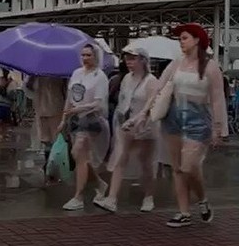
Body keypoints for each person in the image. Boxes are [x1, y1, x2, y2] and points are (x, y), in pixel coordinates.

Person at [129, 23, 227, 228]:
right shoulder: (175, 64)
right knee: (177, 169)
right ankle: (183, 212)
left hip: (198, 121)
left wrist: (219, 129)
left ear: (197, 40)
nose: (181, 42)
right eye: (180, 39)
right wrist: (142, 114)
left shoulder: (210, 66)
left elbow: (218, 99)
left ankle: (202, 200)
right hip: (173, 118)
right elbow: (157, 90)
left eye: (184, 38)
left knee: (189, 166)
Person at [96, 48, 159, 213]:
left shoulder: (151, 81)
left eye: (133, 59)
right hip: (126, 125)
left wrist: (139, 118)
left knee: (145, 163)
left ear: (143, 60)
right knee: (120, 159)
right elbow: (122, 102)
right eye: (127, 59)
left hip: (145, 128)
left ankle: (148, 197)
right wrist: (120, 121)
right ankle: (111, 198)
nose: (129, 62)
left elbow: (152, 105)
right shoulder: (126, 79)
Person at [60, 43, 111, 210]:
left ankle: (78, 196)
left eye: (88, 55)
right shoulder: (76, 73)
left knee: (79, 152)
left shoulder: (100, 76)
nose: (85, 58)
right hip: (75, 119)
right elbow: (69, 98)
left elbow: (98, 103)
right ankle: (99, 183)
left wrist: (79, 109)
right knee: (80, 157)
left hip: (92, 119)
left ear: (96, 56)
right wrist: (64, 118)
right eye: (83, 55)